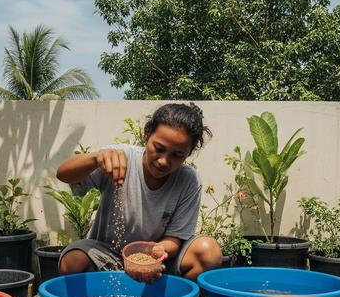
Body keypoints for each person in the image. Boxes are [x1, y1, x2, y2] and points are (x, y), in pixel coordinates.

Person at [54, 102, 223, 282]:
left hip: (158, 260)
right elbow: (63, 175)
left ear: (188, 154)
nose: (164, 161)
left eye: (177, 155)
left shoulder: (188, 180)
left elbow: (174, 238)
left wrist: (158, 251)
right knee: (73, 261)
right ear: (146, 135)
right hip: (108, 255)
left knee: (209, 253)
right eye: (159, 149)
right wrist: (96, 158)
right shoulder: (120, 159)